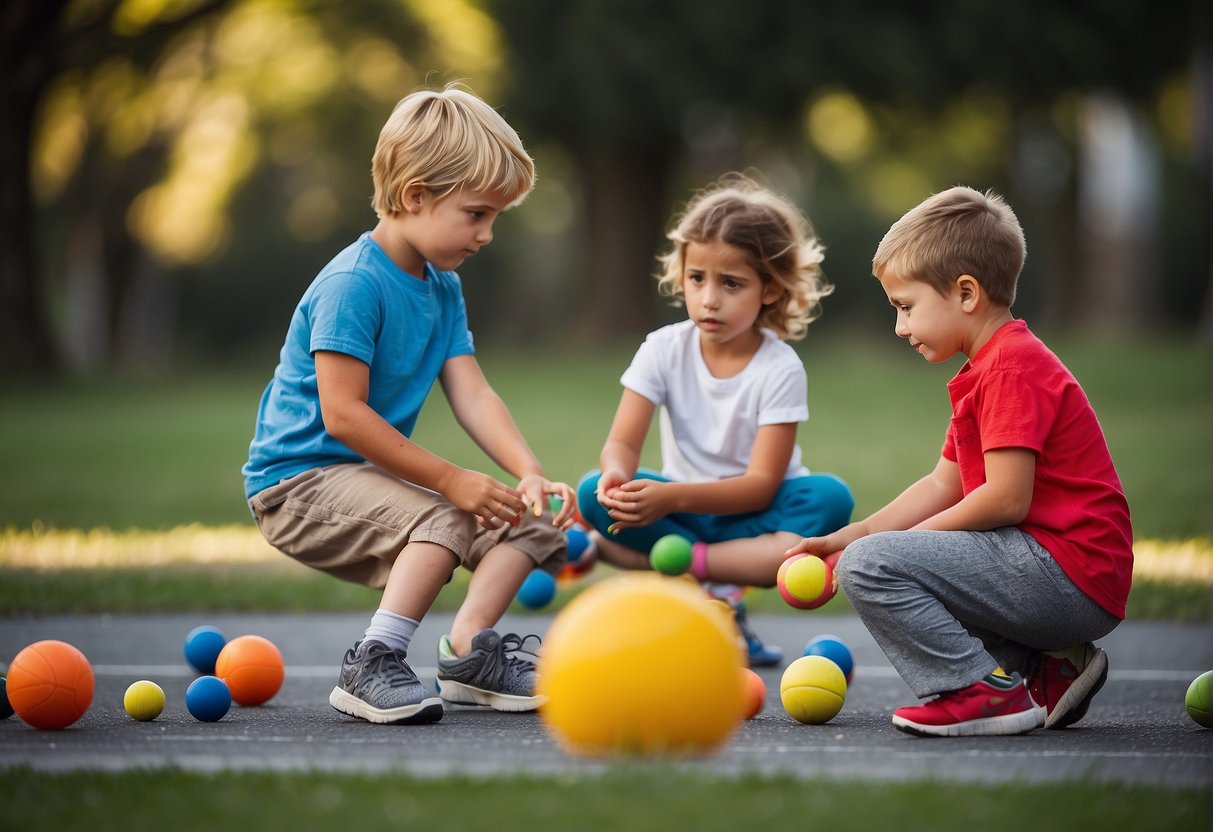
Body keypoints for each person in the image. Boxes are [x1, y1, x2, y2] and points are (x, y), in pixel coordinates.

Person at [242, 84, 575, 726]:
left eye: (495, 219)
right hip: (296, 484)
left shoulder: (442, 287)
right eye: (476, 214)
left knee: (528, 525)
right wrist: (452, 481)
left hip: (365, 477)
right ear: (413, 195)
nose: (486, 235)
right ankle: (374, 660)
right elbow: (343, 415)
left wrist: (527, 472)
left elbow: (473, 392)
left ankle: (468, 655)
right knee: (447, 517)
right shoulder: (352, 284)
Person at [788, 185, 1132, 737]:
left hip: (1069, 573)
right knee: (873, 557)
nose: (900, 327)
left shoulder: (1011, 370)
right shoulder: (988, 368)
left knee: (875, 567)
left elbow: (1005, 498)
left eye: (906, 307)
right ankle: (1050, 668)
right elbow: (942, 483)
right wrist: (854, 537)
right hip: (1062, 574)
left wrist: (896, 552)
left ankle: (978, 692)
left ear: (966, 293)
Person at [576, 174, 855, 666]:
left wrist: (671, 499)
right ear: (680, 275)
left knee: (832, 500)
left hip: (751, 511)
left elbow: (763, 485)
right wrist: (618, 477)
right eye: (697, 278)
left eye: (731, 284)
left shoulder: (780, 367)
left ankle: (688, 571)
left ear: (769, 289)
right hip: (683, 511)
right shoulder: (662, 348)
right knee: (590, 492)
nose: (709, 299)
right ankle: (715, 587)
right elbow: (621, 443)